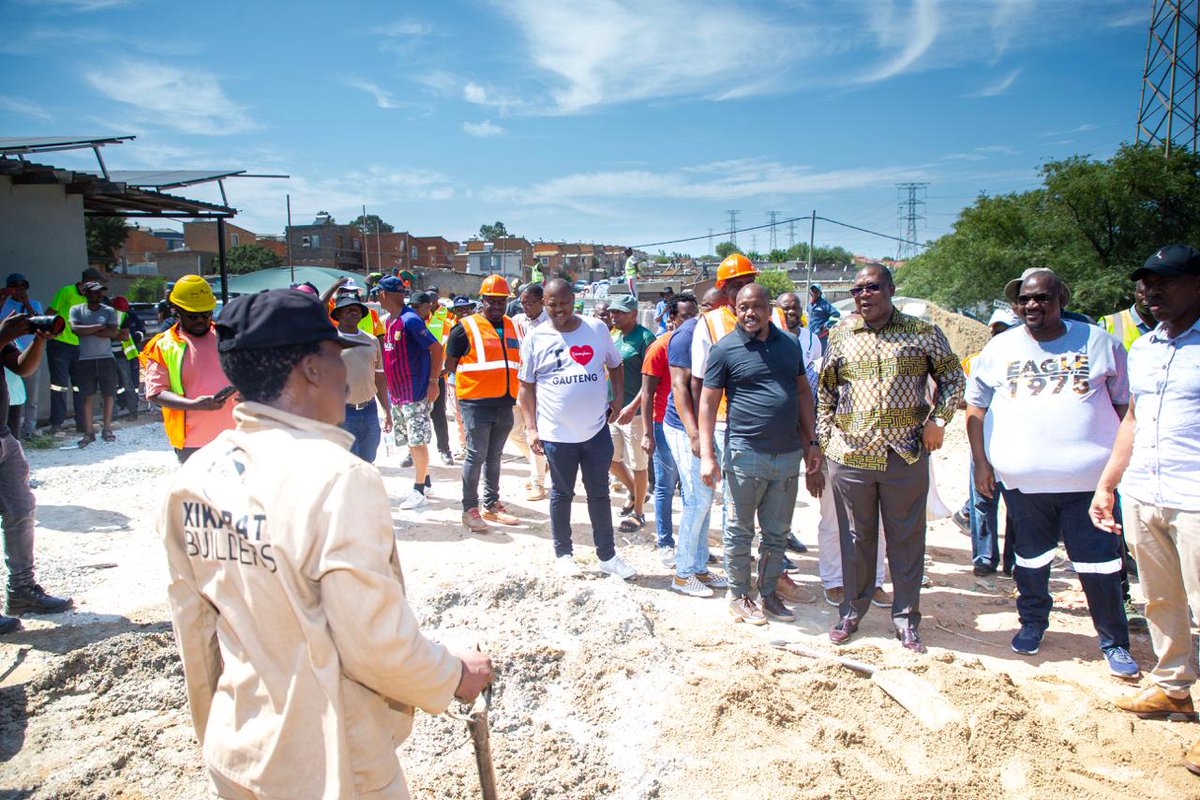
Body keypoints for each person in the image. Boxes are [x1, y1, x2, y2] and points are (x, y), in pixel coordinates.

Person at [159, 288, 493, 798]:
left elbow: (196, 639)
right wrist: (454, 675)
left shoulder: (196, 476)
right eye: (338, 355)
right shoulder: (338, 478)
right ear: (311, 368)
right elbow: (373, 646)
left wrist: (219, 736)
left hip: (238, 747)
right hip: (330, 762)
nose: (347, 369)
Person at [966, 268, 1137, 678]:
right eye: (1024, 299)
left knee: (1100, 565)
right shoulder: (1000, 348)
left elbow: (1124, 409)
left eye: (1041, 298)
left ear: (1061, 297)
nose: (1031, 305)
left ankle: (1114, 641)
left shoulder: (1100, 343)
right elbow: (976, 409)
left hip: (1089, 487)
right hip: (1024, 485)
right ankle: (1032, 624)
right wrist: (982, 464)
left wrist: (1116, 471)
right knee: (1029, 560)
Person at [1089, 245, 1200, 774]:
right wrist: (1108, 483)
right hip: (1145, 492)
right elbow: (1132, 418)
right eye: (1147, 283)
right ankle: (1173, 689)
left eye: (1167, 281)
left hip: (1196, 497)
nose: (1153, 292)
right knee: (1158, 599)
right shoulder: (1147, 348)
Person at [818, 264, 964, 653]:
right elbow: (826, 393)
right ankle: (852, 610)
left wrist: (939, 419)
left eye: (872, 287)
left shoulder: (923, 334)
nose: (864, 295)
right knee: (855, 539)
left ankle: (906, 619)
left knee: (906, 540)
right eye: (857, 290)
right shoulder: (842, 335)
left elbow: (953, 379)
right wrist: (826, 441)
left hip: (905, 454)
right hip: (852, 457)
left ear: (890, 289)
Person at [700, 284, 821, 624]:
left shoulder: (790, 344)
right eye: (743, 307)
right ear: (735, 309)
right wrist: (708, 454)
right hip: (745, 453)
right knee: (739, 530)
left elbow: (802, 393)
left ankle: (768, 594)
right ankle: (739, 595)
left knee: (777, 532)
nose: (750, 313)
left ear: (770, 309)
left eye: (757, 306)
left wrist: (812, 443)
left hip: (787, 454)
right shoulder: (724, 349)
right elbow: (708, 402)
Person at [517, 279, 637, 579]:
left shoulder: (596, 328)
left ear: (574, 300)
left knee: (599, 494)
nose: (559, 309)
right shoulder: (536, 337)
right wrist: (531, 429)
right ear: (544, 304)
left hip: (595, 432)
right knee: (562, 494)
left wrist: (618, 397)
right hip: (557, 435)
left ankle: (607, 557)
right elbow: (526, 387)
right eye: (551, 304)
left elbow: (615, 365)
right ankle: (564, 554)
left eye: (564, 302)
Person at [0, 312, 74, 633]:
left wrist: (40, 339)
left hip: (3, 436)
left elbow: (22, 367)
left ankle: (22, 592)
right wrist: (2, 335)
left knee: (21, 509)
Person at [444, 275, 524, 532]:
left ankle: (491, 504)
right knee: (476, 456)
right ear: (482, 300)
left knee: (494, 456)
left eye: (502, 302)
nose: (497, 306)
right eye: (492, 301)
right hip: (475, 404)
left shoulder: (513, 326)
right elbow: (450, 365)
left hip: (505, 402)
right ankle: (470, 509)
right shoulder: (464, 327)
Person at [664, 287, 730, 593]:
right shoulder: (684, 336)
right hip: (682, 427)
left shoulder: (722, 331)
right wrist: (694, 434)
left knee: (705, 500)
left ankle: (700, 567)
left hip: (705, 427)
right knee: (697, 500)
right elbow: (680, 388)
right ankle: (682, 573)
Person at [141, 276, 236, 464]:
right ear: (177, 312)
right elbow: (156, 392)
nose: (201, 320)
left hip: (235, 436)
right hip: (192, 443)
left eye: (206, 315)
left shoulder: (229, 336)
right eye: (193, 316)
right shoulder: (162, 346)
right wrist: (194, 405)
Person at [959, 308, 1021, 577]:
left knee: (1017, 504)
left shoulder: (1026, 361)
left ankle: (1014, 560)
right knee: (983, 501)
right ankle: (984, 557)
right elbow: (968, 402)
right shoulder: (979, 360)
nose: (997, 334)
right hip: (985, 441)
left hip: (1018, 444)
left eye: (1004, 329)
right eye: (994, 330)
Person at [378, 279, 443, 510]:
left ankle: (418, 490)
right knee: (410, 442)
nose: (377, 297)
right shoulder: (390, 321)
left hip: (413, 392)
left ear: (385, 294)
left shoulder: (410, 320)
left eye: (378, 293)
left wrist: (433, 382)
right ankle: (424, 481)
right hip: (398, 394)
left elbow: (436, 348)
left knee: (417, 442)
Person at [640, 293, 696, 558]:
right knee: (665, 485)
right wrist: (648, 433)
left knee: (691, 487)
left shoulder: (699, 344)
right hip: (664, 425)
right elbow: (647, 393)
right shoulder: (660, 347)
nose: (691, 321)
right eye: (685, 316)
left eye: (694, 316)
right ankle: (665, 542)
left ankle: (690, 542)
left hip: (692, 426)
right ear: (672, 319)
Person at [607, 294, 655, 533]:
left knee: (638, 463)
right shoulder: (615, 336)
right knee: (610, 458)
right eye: (613, 311)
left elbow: (651, 380)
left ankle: (639, 513)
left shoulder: (645, 338)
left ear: (633, 313)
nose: (614, 316)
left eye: (620, 312)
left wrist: (634, 406)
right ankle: (637, 494)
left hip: (634, 413)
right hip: (613, 410)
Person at [331, 294, 390, 462]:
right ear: (339, 315)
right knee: (350, 463)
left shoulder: (371, 340)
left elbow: (379, 378)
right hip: (342, 413)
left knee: (368, 460)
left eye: (357, 309)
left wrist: (386, 410)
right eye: (348, 309)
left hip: (369, 410)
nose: (354, 312)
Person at [46, 267, 103, 433]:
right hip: (60, 345)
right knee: (59, 385)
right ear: (88, 281)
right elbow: (50, 313)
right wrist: (48, 333)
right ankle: (56, 424)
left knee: (81, 387)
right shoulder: (66, 291)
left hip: (80, 347)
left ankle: (82, 423)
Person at [67, 281, 121, 447]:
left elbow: (112, 332)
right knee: (87, 396)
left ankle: (107, 429)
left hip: (106, 358)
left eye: (101, 292)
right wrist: (99, 326)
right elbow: (76, 330)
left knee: (108, 394)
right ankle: (88, 431)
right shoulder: (77, 310)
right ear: (86, 293)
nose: (99, 295)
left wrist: (88, 329)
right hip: (85, 359)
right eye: (95, 292)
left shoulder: (109, 310)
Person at [509, 282, 549, 500]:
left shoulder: (550, 324)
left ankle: (538, 482)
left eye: (529, 303)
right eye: (522, 302)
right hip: (519, 383)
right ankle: (542, 465)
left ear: (541, 302)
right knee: (513, 431)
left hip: (540, 386)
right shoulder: (516, 322)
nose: (525, 307)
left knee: (534, 432)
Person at [2, 273, 44, 438]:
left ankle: (29, 429)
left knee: (31, 396)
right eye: (15, 286)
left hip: (29, 354)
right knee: (11, 394)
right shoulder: (4, 305)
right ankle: (12, 429)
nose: (19, 289)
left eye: (22, 286)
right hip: (9, 355)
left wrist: (26, 304)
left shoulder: (35, 304)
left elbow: (39, 323)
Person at [108, 296, 144, 420]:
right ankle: (115, 413)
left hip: (123, 355)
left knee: (127, 383)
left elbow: (127, 335)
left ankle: (132, 411)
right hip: (110, 355)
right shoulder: (109, 315)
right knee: (113, 385)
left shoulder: (127, 316)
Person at [1100, 279, 1156, 351]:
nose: (1146, 298)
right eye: (1141, 293)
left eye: (1151, 293)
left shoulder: (1168, 323)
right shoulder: (1111, 323)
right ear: (1135, 293)